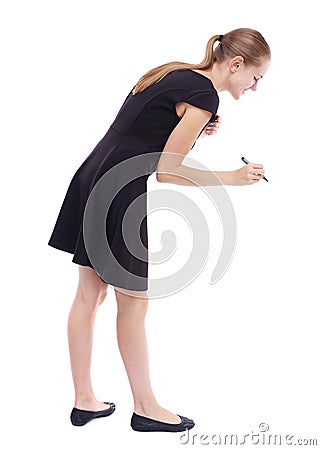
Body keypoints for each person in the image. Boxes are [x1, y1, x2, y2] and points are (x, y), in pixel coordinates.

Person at [48, 28, 271, 431]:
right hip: (119, 189)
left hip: (91, 175)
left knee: (89, 296)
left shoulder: (175, 73)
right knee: (133, 304)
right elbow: (168, 172)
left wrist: (194, 133)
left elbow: (145, 134)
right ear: (236, 64)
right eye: (256, 77)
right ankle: (146, 407)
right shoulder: (206, 96)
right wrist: (232, 178)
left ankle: (84, 400)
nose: (255, 87)